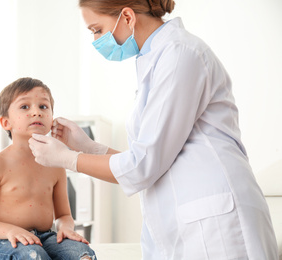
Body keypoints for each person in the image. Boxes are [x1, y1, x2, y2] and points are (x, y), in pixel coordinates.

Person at [28, 1, 279, 259]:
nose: (95, 40)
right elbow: (151, 157)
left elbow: (143, 165)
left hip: (218, 223)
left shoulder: (180, 54)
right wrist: (88, 147)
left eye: (96, 29)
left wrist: (67, 159)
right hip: (186, 222)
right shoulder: (156, 58)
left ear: (127, 16)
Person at [0, 77, 96, 260]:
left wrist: (66, 228)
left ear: (51, 118)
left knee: (82, 254)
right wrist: (10, 230)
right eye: (25, 107)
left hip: (44, 237)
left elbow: (64, 214)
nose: (36, 112)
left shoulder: (56, 164)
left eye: (43, 106)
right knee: (32, 255)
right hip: (3, 240)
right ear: (5, 123)